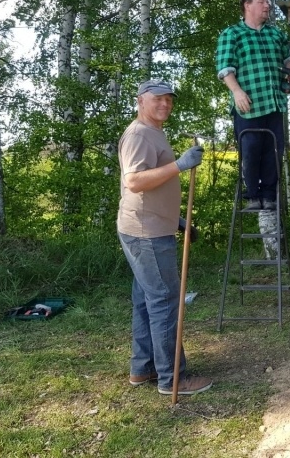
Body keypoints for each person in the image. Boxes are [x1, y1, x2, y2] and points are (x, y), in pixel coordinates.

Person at [117, 79, 212, 396]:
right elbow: (134, 181)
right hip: (147, 234)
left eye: (169, 99)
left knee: (146, 301)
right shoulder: (139, 134)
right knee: (165, 301)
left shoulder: (153, 132)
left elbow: (151, 188)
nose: (165, 104)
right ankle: (172, 378)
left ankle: (143, 367)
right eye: (157, 98)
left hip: (150, 226)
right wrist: (180, 165)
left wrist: (177, 220)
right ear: (140, 101)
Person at [215, 0, 290, 211]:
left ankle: (269, 197)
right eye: (262, 2)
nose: (267, 5)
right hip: (248, 105)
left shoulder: (275, 34)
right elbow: (225, 68)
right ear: (247, 5)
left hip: (274, 103)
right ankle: (252, 196)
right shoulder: (232, 34)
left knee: (274, 151)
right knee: (251, 150)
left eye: (267, 2)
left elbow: (287, 59)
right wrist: (236, 91)